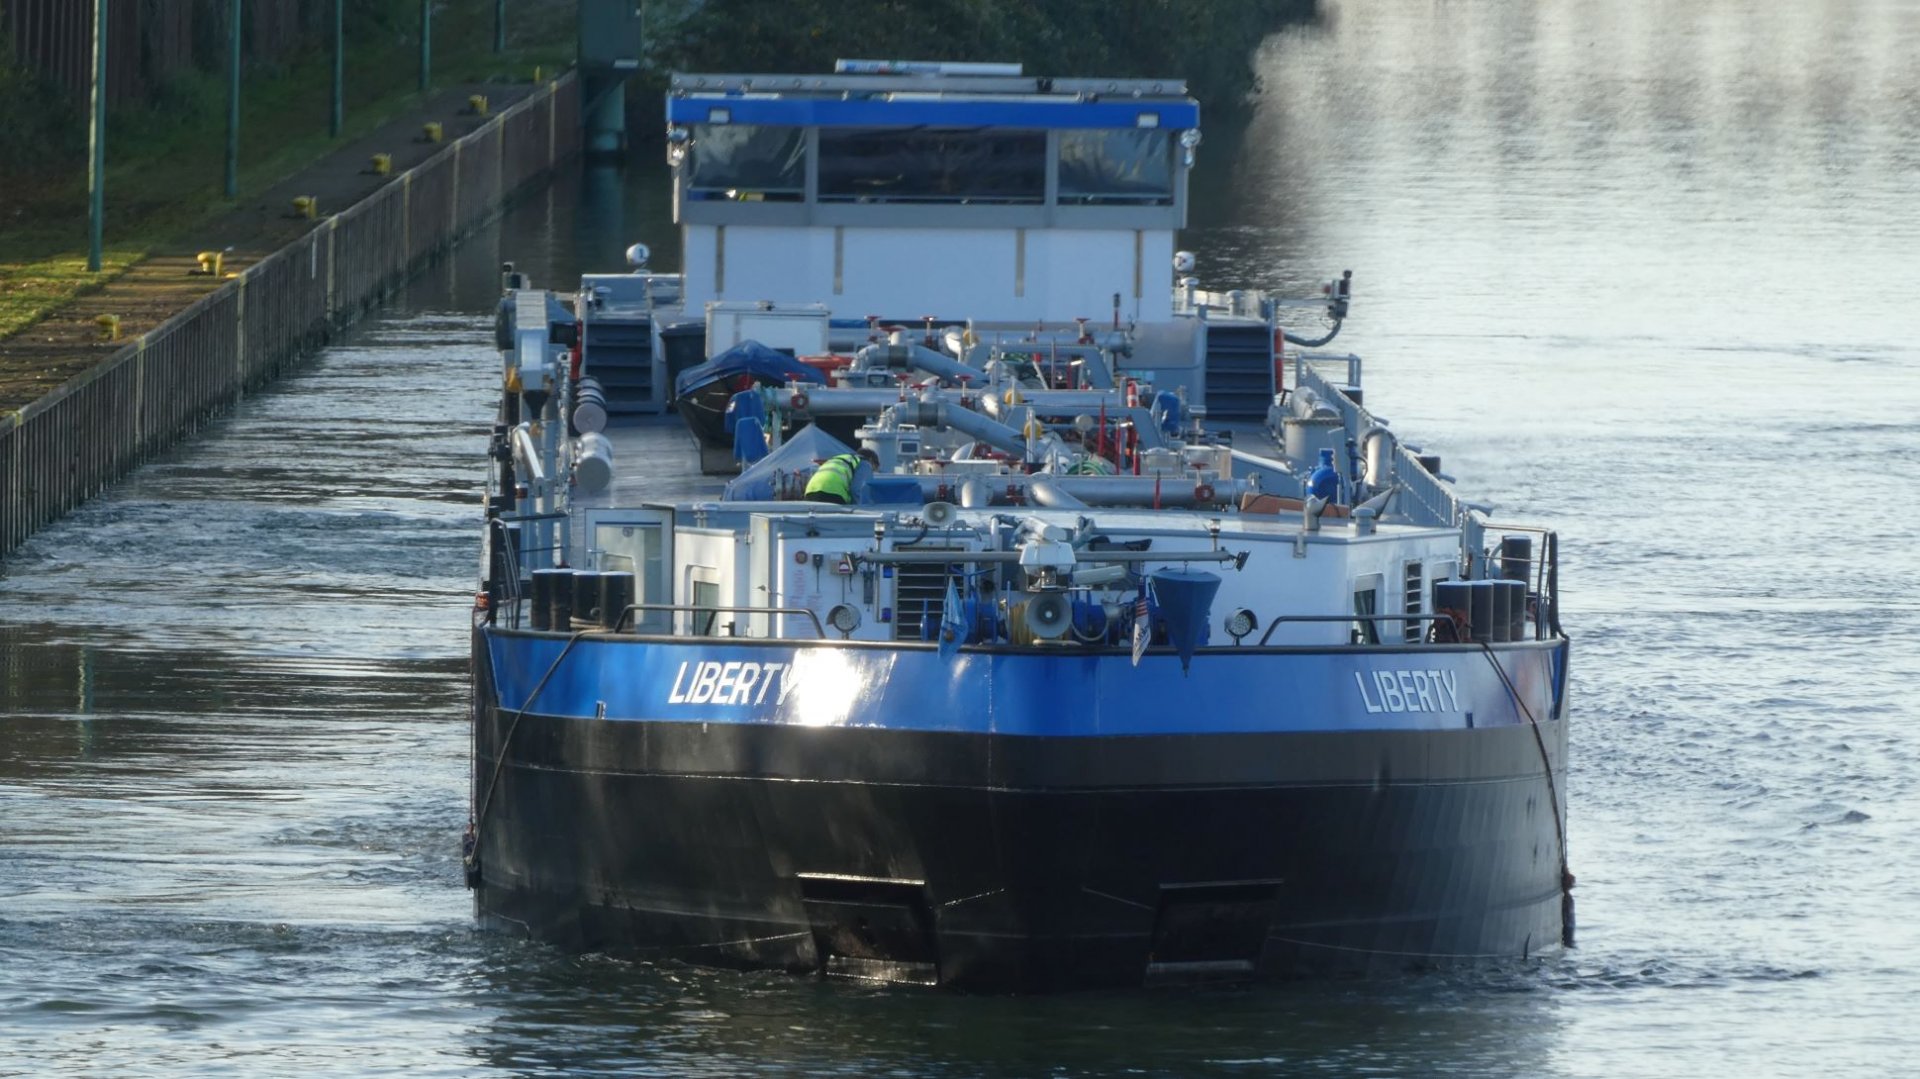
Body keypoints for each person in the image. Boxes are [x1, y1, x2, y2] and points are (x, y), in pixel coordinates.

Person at [803, 448, 878, 504]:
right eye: (873, 470)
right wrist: (858, 509)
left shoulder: (839, 458)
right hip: (833, 493)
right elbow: (856, 489)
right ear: (871, 460)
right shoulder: (865, 463)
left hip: (810, 491)